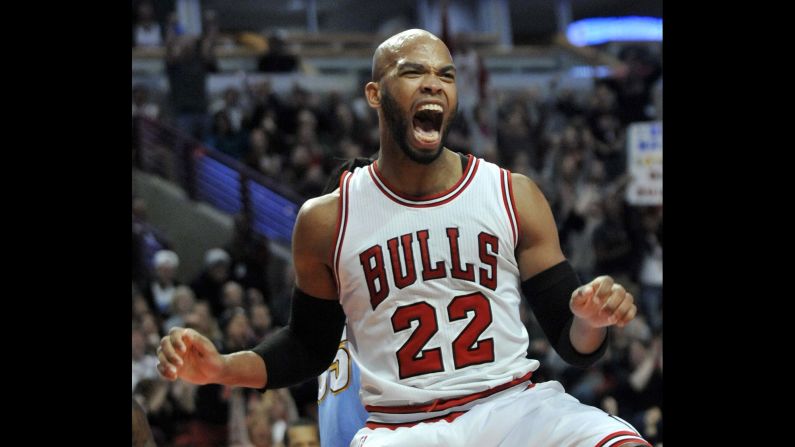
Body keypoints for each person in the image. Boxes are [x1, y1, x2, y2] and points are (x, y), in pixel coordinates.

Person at [157, 29, 650, 447]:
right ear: (375, 94)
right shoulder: (326, 219)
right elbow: (308, 346)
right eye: (414, 72)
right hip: (403, 427)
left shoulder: (511, 193)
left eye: (446, 75)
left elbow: (574, 342)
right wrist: (222, 367)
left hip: (513, 408)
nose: (434, 84)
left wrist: (590, 320)